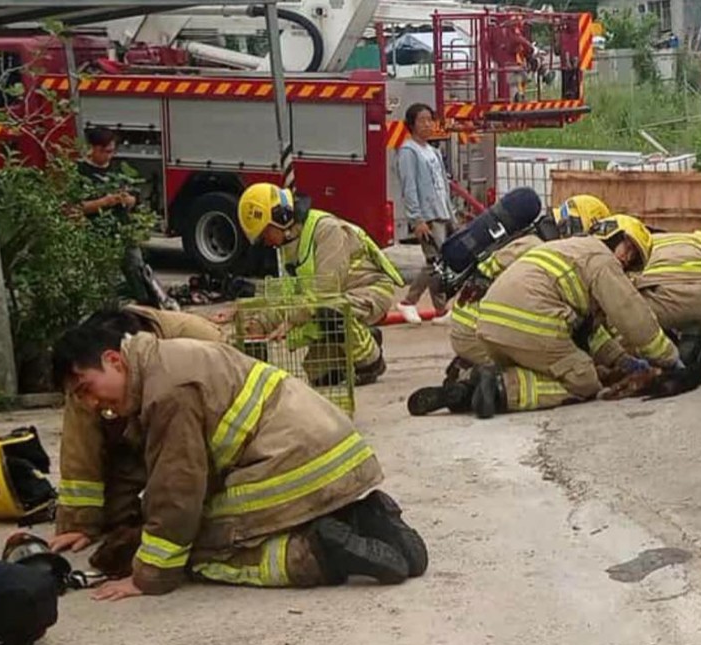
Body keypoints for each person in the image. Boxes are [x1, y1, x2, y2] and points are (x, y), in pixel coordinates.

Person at [50, 321, 427, 601]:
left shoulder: (166, 392)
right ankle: (360, 518)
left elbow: (177, 490)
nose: (89, 405)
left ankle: (317, 554)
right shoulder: (166, 361)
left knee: (199, 547)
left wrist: (148, 574)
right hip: (334, 454)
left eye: (86, 389)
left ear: (113, 360)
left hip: (295, 463)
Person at [424, 215, 681, 418]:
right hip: (530, 322)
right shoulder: (602, 261)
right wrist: (669, 358)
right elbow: (633, 317)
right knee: (585, 379)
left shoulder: (567, 248)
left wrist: (622, 360)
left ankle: (470, 388)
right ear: (612, 234)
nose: (626, 258)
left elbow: (590, 334)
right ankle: (503, 390)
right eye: (628, 247)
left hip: (490, 324)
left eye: (633, 258)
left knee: (537, 368)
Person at [409, 195, 611, 416]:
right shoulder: (544, 253)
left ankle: (466, 377)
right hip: (487, 331)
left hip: (468, 328)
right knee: (578, 375)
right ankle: (498, 389)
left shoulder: (528, 240)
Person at [51, 306, 223, 562]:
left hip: (204, 438)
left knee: (204, 516)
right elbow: (80, 448)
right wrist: (79, 522)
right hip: (135, 437)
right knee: (118, 516)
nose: (89, 401)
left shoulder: (196, 339)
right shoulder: (88, 372)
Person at [236, 182, 404, 385]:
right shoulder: (288, 246)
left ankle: (371, 363)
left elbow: (327, 290)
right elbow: (290, 294)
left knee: (332, 313)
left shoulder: (327, 230)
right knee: (322, 378)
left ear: (280, 217)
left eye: (265, 233)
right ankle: (362, 339)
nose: (266, 241)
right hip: (329, 300)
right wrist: (259, 323)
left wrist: (293, 320)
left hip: (369, 290)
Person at [78, 127, 176, 311]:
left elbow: (134, 197)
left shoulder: (118, 169)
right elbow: (75, 207)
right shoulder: (81, 172)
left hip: (123, 230)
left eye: (112, 151)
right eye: (106, 151)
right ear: (93, 148)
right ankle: (109, 311)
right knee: (106, 278)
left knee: (137, 268)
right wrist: (104, 202)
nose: (109, 156)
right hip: (99, 234)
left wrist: (128, 200)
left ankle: (147, 305)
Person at [396, 103, 457, 326]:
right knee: (434, 262)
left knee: (438, 263)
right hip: (427, 216)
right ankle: (409, 302)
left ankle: (439, 310)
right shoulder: (408, 152)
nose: (427, 124)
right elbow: (409, 187)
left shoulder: (433, 152)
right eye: (422, 120)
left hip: (441, 212)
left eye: (429, 119)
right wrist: (417, 219)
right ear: (411, 125)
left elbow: (443, 184)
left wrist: (451, 215)